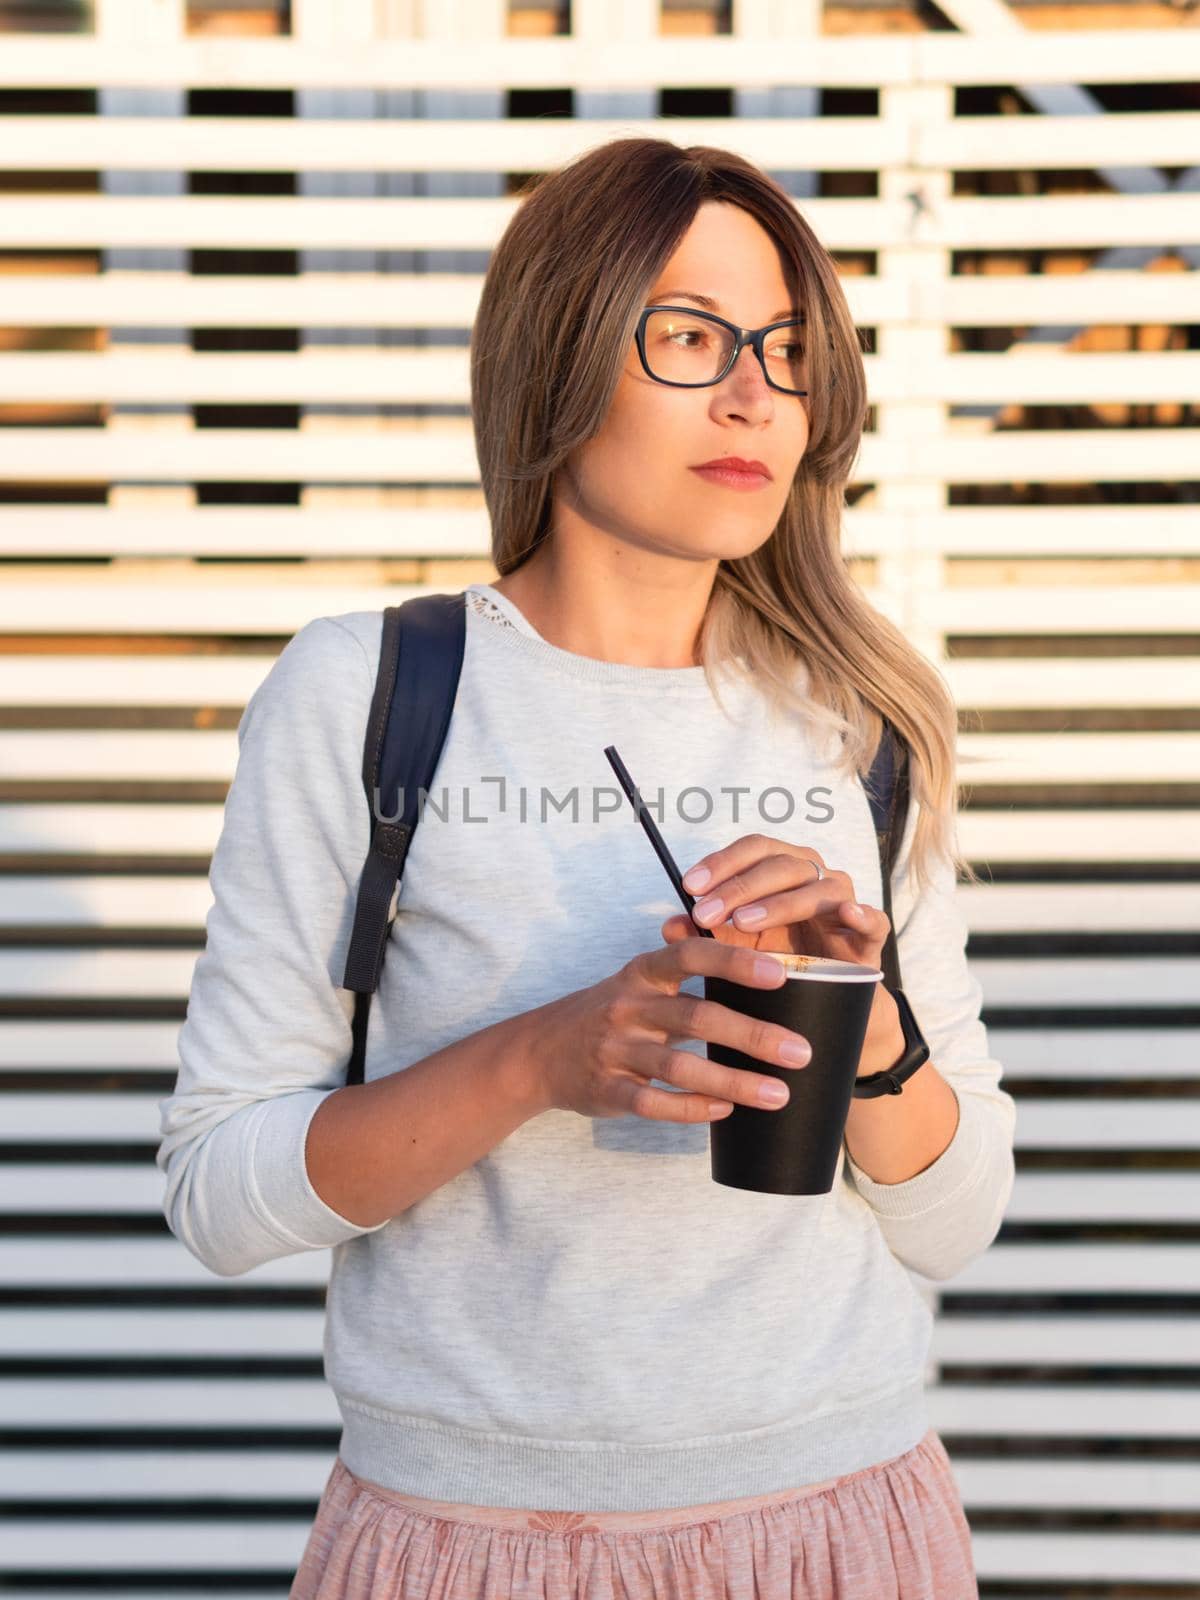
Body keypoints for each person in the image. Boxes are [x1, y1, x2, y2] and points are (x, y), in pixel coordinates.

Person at [157, 136, 1015, 1599]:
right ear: (558, 353)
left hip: (844, 1528)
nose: (756, 390)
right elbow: (219, 1197)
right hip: (469, 1542)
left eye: (792, 350)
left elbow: (956, 1218)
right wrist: (542, 1060)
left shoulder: (855, 723)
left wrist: (871, 1029)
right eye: (691, 336)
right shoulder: (369, 694)